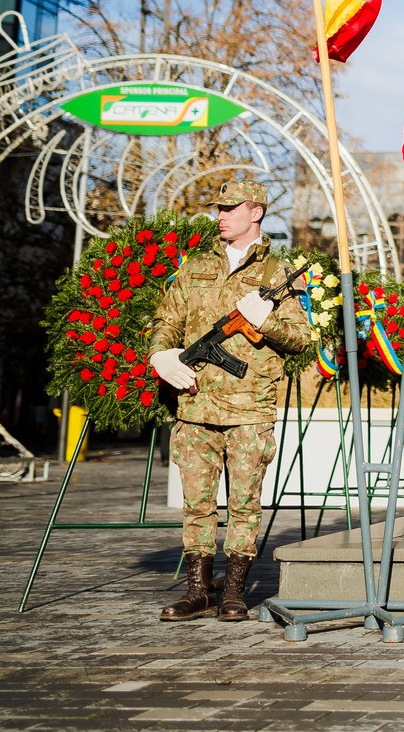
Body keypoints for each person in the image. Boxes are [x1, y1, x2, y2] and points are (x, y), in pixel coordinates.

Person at [145, 179, 313, 622]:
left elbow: (300, 338)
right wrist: (161, 353)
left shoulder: (276, 272)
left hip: (249, 406)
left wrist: (268, 322)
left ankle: (234, 591)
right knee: (197, 504)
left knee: (244, 503)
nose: (220, 215)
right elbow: (168, 317)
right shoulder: (196, 264)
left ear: (255, 211)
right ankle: (198, 590)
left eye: (229, 207)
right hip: (196, 402)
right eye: (217, 208)